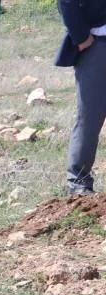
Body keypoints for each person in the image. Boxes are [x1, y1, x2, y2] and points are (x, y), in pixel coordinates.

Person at [56, 0, 106, 195]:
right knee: (90, 115)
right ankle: (79, 183)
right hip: (98, 47)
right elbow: (67, 3)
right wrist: (81, 37)